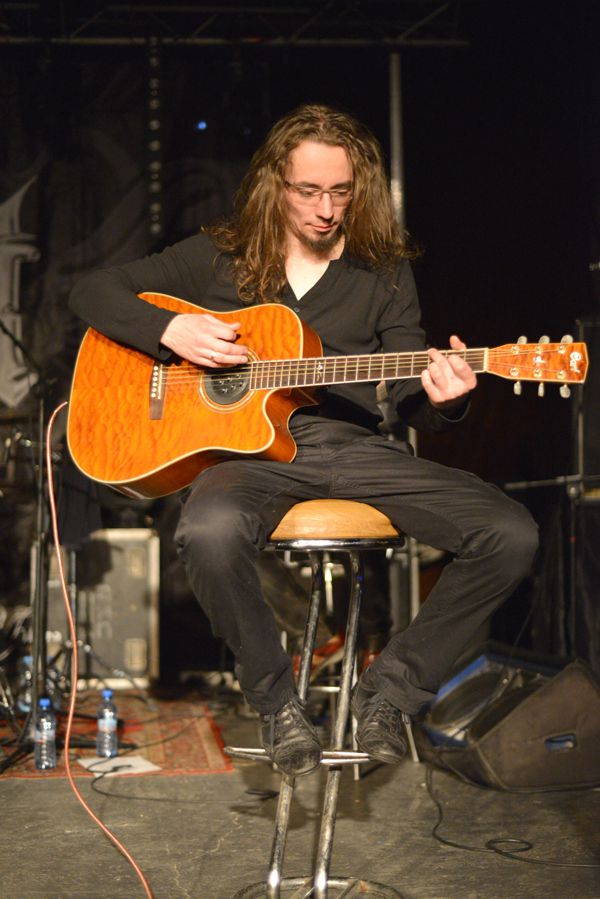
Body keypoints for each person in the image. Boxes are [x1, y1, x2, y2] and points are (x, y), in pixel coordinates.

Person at [69, 104, 538, 777]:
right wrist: (169, 331)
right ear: (275, 183)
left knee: (510, 532)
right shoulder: (222, 257)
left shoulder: (383, 269)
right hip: (250, 456)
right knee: (207, 531)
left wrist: (447, 400)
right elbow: (92, 290)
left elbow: (412, 400)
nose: (325, 210)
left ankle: (391, 693)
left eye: (341, 192)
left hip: (355, 447)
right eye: (308, 191)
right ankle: (277, 704)